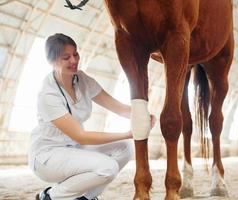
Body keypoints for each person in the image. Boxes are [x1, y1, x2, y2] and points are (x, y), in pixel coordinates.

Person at [28, 33, 155, 200]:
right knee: (107, 168)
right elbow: (81, 137)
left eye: (75, 54)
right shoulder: (48, 95)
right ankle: (50, 196)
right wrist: (128, 133)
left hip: (73, 148)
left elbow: (117, 107)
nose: (74, 61)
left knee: (125, 148)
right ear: (52, 62)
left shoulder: (82, 79)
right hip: (48, 157)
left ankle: (86, 198)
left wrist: (141, 114)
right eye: (66, 57)